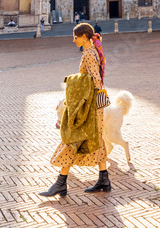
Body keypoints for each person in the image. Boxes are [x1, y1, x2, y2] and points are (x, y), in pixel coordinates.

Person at [40, 23, 111, 197]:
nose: (74, 40)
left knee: (73, 139)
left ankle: (61, 183)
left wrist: (73, 82)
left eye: (76, 37)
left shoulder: (88, 53)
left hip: (90, 105)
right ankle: (104, 179)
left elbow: (95, 79)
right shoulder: (94, 50)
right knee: (96, 139)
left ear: (84, 37)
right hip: (95, 104)